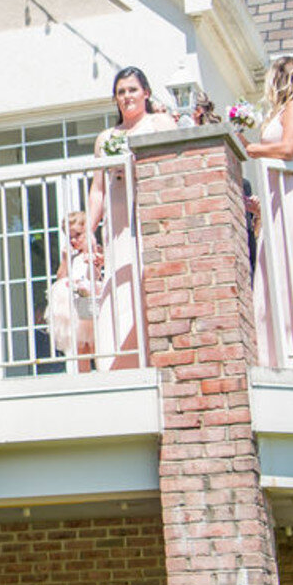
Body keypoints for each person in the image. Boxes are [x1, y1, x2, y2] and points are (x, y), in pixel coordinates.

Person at [85, 66, 178, 370]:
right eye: (121, 92)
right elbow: (98, 189)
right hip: (118, 221)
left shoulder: (159, 122)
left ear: (146, 93)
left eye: (132, 90)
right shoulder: (106, 137)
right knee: (119, 286)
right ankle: (120, 363)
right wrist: (89, 231)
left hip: (149, 215)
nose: (126, 96)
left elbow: (174, 166)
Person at [239, 57, 293, 370]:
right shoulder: (278, 113)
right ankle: (275, 354)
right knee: (274, 272)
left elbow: (288, 149)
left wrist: (248, 148)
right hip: (277, 198)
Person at [45, 211, 100, 368]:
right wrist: (65, 259)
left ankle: (102, 372)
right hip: (75, 305)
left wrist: (92, 251)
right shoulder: (73, 258)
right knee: (80, 346)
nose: (74, 240)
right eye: (70, 237)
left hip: (90, 300)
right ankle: (84, 376)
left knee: (95, 342)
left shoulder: (95, 252)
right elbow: (60, 278)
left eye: (78, 235)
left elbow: (96, 273)